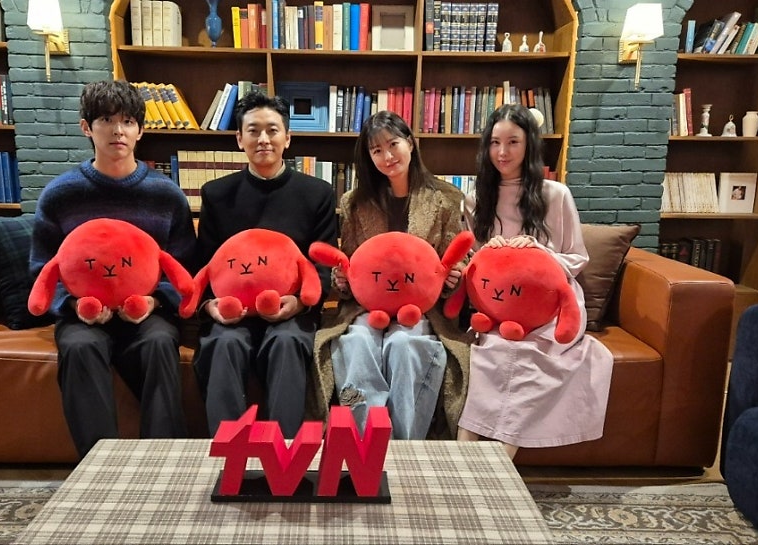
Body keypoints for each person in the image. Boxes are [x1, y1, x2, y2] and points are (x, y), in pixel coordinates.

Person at [29, 79, 196, 457]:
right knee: (79, 347)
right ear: (86, 127)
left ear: (140, 130)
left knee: (159, 343)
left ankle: (164, 459)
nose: (118, 130)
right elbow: (42, 267)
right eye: (106, 120)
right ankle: (98, 464)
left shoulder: (166, 194)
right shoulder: (61, 194)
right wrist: (73, 305)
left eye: (128, 121)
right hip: (83, 313)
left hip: (147, 311)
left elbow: (185, 266)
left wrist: (157, 301)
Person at [458, 103, 613, 458]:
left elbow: (577, 258)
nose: (502, 152)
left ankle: (501, 464)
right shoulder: (475, 199)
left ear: (529, 144)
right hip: (499, 305)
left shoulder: (555, 194)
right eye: (495, 142)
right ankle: (464, 456)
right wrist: (486, 255)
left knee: (529, 355)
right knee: (488, 352)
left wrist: (539, 253)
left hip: (549, 306)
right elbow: (473, 264)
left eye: (513, 142)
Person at [312, 110, 472, 440]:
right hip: (367, 308)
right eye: (376, 150)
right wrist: (342, 281)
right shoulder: (355, 202)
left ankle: (404, 443)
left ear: (410, 143)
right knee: (355, 342)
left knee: (404, 344)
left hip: (421, 309)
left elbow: (453, 258)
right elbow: (351, 265)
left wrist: (452, 278)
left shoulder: (445, 199)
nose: (387, 156)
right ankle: (362, 438)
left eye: (393, 144)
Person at [191, 91, 338, 438]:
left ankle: (283, 451)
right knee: (224, 344)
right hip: (232, 313)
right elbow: (203, 265)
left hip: (291, 312)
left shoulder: (317, 193)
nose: (263, 139)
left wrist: (299, 302)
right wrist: (210, 306)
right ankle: (228, 449)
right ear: (239, 138)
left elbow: (324, 265)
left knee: (287, 342)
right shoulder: (216, 194)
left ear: (288, 137)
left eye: (272, 130)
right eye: (253, 131)